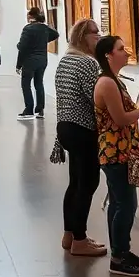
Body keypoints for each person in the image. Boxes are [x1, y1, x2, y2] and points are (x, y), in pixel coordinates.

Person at [94, 35, 139, 277]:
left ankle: (121, 253)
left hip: (120, 150)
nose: (126, 52)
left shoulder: (114, 81)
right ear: (109, 55)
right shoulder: (107, 83)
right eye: (121, 49)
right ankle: (119, 257)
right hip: (114, 152)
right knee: (126, 204)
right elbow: (120, 119)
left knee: (120, 203)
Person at [53, 19, 107, 257]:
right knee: (87, 184)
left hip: (65, 128)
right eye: (95, 33)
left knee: (75, 183)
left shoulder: (66, 59)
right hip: (83, 129)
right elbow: (95, 98)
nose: (99, 37)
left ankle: (69, 235)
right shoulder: (86, 63)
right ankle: (80, 240)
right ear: (83, 36)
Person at [15, 7, 59, 120]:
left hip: (30, 60)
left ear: (30, 16)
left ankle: (28, 110)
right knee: (38, 83)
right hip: (42, 60)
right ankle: (40, 110)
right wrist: (43, 40)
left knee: (26, 85)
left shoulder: (28, 29)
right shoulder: (44, 28)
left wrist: (18, 64)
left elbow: (22, 47)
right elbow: (55, 34)